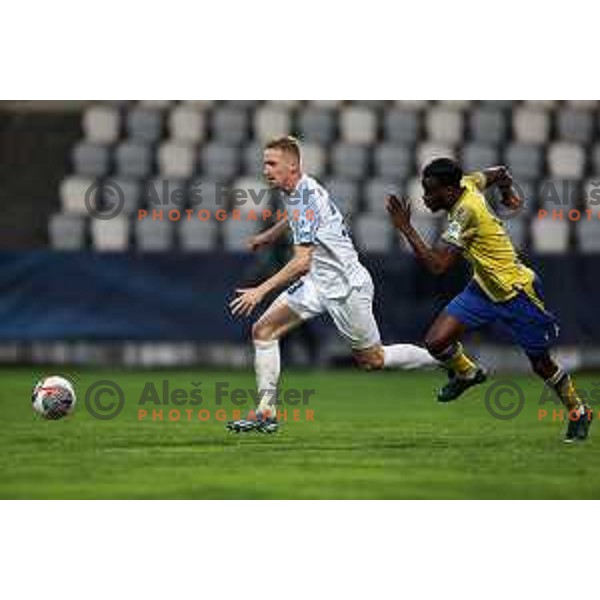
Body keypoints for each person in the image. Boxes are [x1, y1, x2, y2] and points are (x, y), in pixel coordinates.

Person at [227, 136, 437, 433]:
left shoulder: (305, 196)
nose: (266, 170)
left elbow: (301, 261)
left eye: (272, 163)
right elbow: (296, 217)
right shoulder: (296, 189)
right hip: (318, 283)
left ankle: (444, 358)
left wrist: (261, 290)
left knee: (373, 360)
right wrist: (269, 236)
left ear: (293, 166)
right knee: (263, 330)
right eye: (265, 163)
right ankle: (265, 411)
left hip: (345, 286)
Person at [385, 157, 591, 443]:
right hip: (483, 288)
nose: (425, 197)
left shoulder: (465, 212)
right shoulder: (467, 183)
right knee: (435, 342)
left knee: (541, 364)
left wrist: (405, 228)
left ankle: (579, 411)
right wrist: (507, 193)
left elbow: (438, 266)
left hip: (516, 292)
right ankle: (468, 373)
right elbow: (499, 173)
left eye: (430, 190)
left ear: (447, 191)